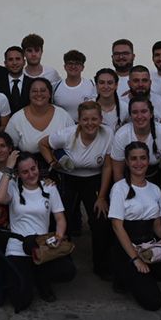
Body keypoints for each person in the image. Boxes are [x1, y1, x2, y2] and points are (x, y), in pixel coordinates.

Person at [108, 141, 161, 310]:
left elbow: (157, 224)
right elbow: (117, 227)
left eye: (143, 158)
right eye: (134, 159)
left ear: (148, 160)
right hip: (128, 249)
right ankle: (125, 275)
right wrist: (136, 259)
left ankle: (146, 275)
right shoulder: (119, 188)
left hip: (149, 247)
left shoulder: (155, 189)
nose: (139, 163)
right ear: (128, 162)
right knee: (154, 303)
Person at [0, 151, 75, 311]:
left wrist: (58, 237)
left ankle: (39, 278)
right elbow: (0, 198)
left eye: (33, 169)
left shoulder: (49, 187)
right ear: (18, 173)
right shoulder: (13, 187)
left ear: (37, 166)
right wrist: (9, 167)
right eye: (25, 171)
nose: (31, 174)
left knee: (68, 271)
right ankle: (32, 277)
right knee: (21, 301)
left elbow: (59, 218)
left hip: (41, 246)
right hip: (18, 246)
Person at [41, 101, 113, 275]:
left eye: (94, 119)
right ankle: (62, 261)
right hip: (68, 179)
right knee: (63, 220)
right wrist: (52, 163)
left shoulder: (108, 133)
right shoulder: (66, 135)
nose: (90, 123)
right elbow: (43, 144)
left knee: (100, 220)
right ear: (78, 121)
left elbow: (107, 167)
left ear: (101, 119)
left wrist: (102, 197)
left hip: (94, 180)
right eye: (85, 119)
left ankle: (101, 265)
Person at [107, 97, 161, 192]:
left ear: (151, 114)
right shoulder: (121, 135)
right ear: (130, 115)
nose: (139, 116)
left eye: (144, 111)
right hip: (128, 181)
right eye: (135, 112)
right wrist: (124, 194)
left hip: (156, 180)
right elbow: (118, 172)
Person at [4, 78, 73, 161]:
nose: (39, 94)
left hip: (61, 170)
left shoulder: (63, 115)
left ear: (50, 94)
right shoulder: (17, 119)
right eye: (34, 91)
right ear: (29, 94)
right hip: (28, 171)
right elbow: (8, 149)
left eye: (43, 90)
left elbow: (74, 143)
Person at [52, 50, 95, 115]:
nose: (73, 67)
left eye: (77, 64)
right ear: (65, 67)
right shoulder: (55, 87)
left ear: (83, 67)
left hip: (86, 124)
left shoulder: (91, 85)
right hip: (62, 125)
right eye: (70, 63)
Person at [2, 46, 33, 114]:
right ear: (5, 63)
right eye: (10, 59)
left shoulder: (33, 84)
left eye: (18, 59)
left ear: (24, 62)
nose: (14, 63)